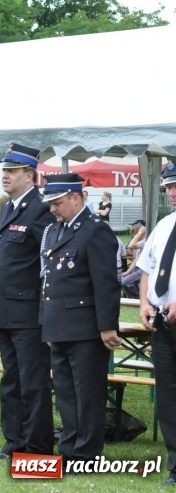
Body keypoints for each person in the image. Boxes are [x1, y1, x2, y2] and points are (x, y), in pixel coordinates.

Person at [40, 173, 120, 462]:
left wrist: (108, 326)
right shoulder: (58, 230)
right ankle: (70, 447)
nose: (52, 209)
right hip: (60, 326)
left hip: (86, 328)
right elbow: (48, 282)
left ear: (76, 198)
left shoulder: (95, 230)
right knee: (65, 392)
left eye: (57, 202)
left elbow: (106, 282)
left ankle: (86, 452)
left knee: (87, 393)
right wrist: (47, 325)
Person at [0, 143, 55, 459]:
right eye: (4, 171)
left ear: (31, 175)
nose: (5, 176)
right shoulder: (11, 207)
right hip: (5, 308)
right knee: (11, 380)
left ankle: (37, 445)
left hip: (28, 310)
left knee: (33, 381)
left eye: (12, 171)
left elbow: (48, 259)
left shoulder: (40, 208)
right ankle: (14, 440)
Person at [137, 159, 176, 487]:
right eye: (168, 188)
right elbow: (147, 269)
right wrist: (145, 302)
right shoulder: (164, 225)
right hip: (164, 324)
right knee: (168, 395)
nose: (172, 193)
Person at [121, 220, 146, 297]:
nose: (133, 237)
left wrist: (139, 233)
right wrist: (127, 272)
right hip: (138, 268)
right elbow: (136, 259)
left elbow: (130, 246)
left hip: (144, 269)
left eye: (134, 235)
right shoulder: (140, 242)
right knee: (121, 279)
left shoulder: (145, 241)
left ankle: (136, 301)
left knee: (126, 282)